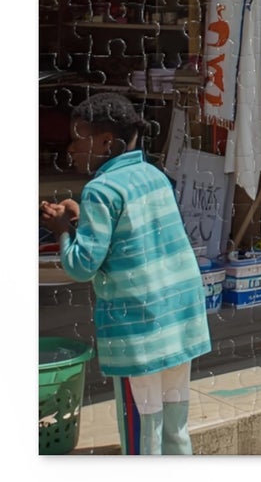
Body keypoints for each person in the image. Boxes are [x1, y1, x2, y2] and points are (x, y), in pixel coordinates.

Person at [39, 92, 211, 454]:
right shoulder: (154, 176)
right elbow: (136, 235)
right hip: (179, 320)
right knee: (175, 426)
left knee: (142, 431)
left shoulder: (100, 190)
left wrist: (62, 230)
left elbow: (83, 265)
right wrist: (82, 221)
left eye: (77, 137)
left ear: (105, 142)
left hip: (141, 331)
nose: (70, 148)